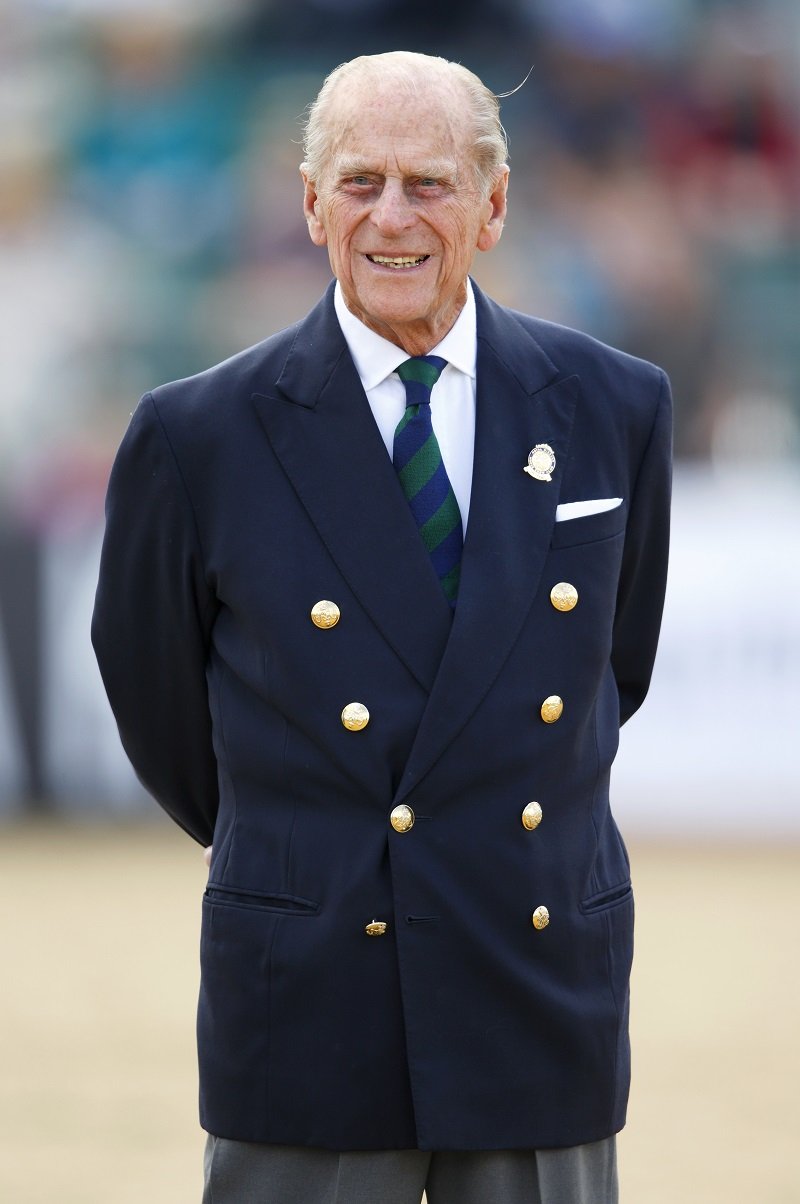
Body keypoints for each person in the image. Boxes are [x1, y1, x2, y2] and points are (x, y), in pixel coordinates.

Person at [92, 50, 671, 1204]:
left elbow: (615, 666)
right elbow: (158, 710)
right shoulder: (195, 436)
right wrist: (316, 848)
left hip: (533, 973)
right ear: (308, 203)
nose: (391, 218)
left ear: (493, 204)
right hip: (311, 992)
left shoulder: (615, 406)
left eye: (430, 183)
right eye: (358, 183)